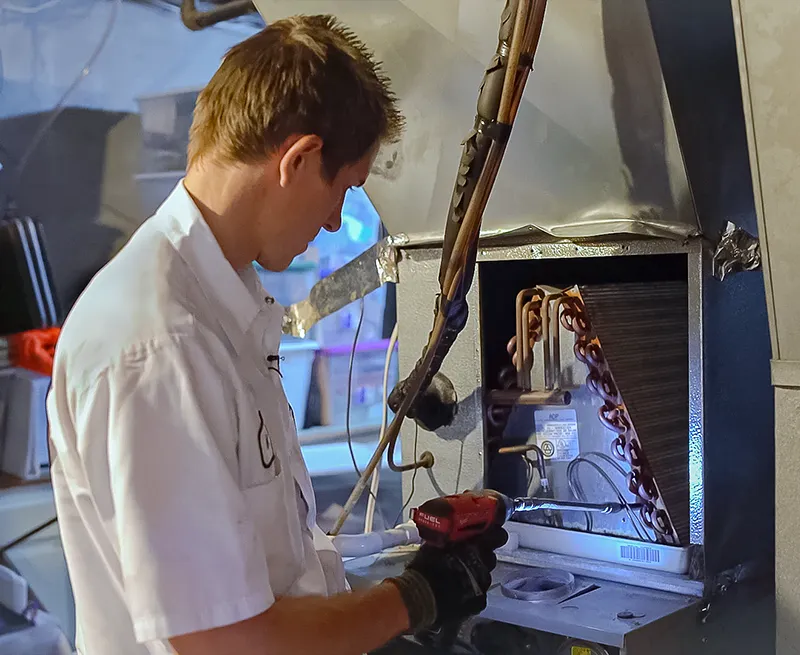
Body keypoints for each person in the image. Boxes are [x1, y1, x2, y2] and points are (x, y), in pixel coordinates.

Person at [46, 15, 506, 655]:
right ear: (299, 159)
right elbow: (223, 640)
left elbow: (269, 568)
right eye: (343, 189)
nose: (336, 218)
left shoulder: (220, 309)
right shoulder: (159, 341)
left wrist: (399, 564)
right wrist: (413, 598)